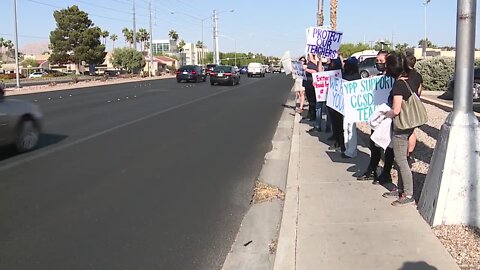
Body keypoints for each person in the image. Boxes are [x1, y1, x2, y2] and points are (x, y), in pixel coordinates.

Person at [382, 52, 417, 206]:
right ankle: (402, 189)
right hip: (409, 124)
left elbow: (396, 110)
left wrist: (384, 114)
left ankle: (408, 194)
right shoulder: (411, 78)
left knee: (401, 160)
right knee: (402, 159)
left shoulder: (398, 85)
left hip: (401, 126)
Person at [357, 50, 395, 184]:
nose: (378, 63)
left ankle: (386, 173)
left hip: (389, 117)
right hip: (377, 117)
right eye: (377, 61)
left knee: (389, 147)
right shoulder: (377, 77)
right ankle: (372, 170)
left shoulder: (393, 79)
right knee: (374, 144)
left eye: (381, 61)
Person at [405, 52, 423, 161]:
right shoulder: (418, 75)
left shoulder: (404, 75)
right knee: (411, 131)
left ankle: (403, 154)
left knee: (403, 132)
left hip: (405, 105)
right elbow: (420, 91)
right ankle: (409, 153)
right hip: (414, 106)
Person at [341, 57, 361, 158]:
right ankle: (347, 148)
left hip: (352, 107)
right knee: (346, 128)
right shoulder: (346, 75)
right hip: (345, 106)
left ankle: (351, 151)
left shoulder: (355, 77)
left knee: (350, 128)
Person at [325, 57, 344, 152]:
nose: (330, 62)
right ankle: (336, 139)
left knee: (338, 124)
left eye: (332, 61)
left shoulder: (341, 73)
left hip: (338, 103)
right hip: (331, 100)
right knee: (335, 123)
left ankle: (339, 143)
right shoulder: (329, 70)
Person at [303, 54, 321, 121]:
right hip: (307, 83)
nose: (308, 57)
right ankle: (309, 114)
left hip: (311, 83)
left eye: (309, 56)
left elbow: (316, 71)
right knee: (309, 101)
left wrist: (306, 69)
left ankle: (313, 116)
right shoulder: (308, 63)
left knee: (312, 101)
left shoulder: (315, 63)